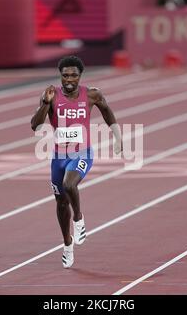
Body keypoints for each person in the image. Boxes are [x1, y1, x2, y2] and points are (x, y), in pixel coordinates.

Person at [31, 56, 122, 268]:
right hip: (59, 157)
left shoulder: (92, 94)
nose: (69, 79)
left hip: (82, 153)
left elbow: (107, 112)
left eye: (73, 75)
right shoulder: (51, 95)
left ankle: (79, 219)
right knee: (61, 203)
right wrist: (45, 103)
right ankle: (67, 244)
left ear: (81, 76)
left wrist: (118, 137)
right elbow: (35, 125)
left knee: (69, 184)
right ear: (60, 76)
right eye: (65, 75)